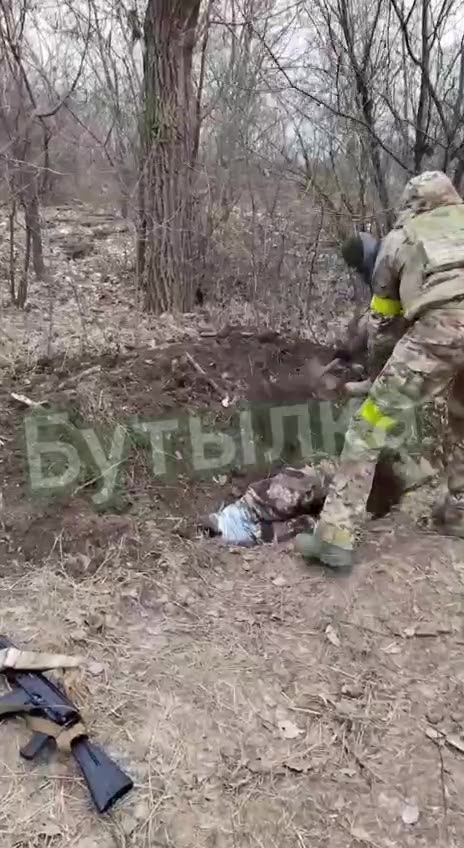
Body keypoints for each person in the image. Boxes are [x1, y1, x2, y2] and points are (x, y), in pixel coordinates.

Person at [295, 170, 464, 569]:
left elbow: (384, 328)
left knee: (367, 428)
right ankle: (458, 512)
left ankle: (335, 537)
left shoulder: (400, 240)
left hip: (440, 332)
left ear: (412, 205)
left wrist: (376, 381)